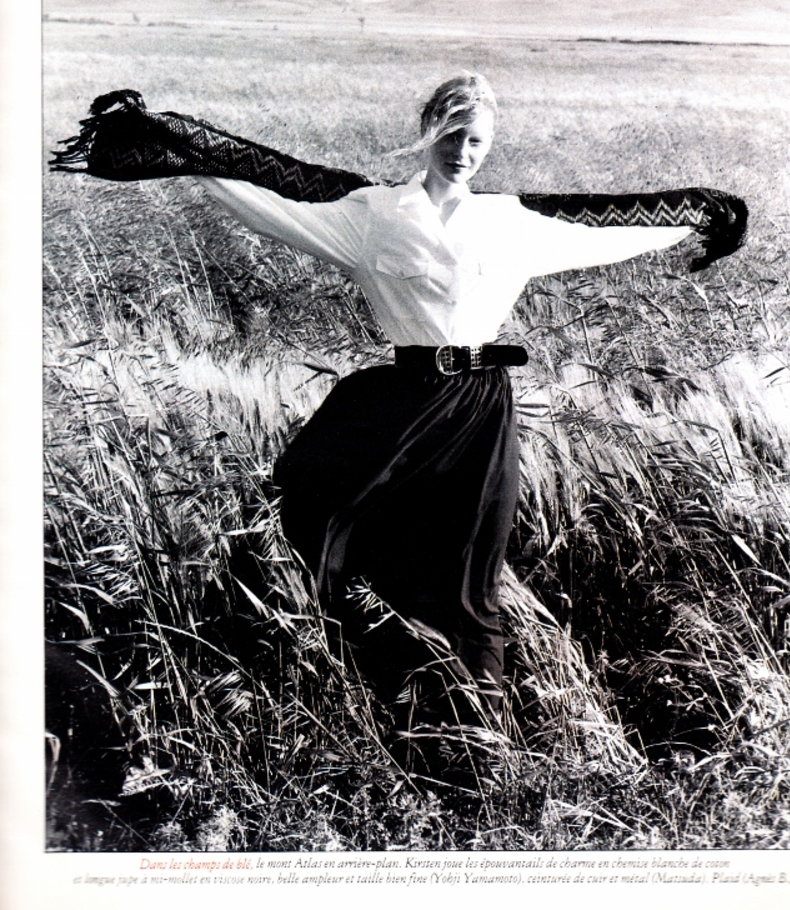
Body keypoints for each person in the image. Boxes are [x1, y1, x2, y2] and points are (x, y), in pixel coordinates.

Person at [51, 72, 746, 732]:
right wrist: (177, 148)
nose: (463, 152)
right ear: (427, 132)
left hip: (478, 412)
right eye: (451, 135)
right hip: (398, 408)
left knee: (468, 579)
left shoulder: (512, 221)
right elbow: (268, 188)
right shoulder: (372, 214)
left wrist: (698, 214)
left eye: (476, 140)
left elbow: (610, 226)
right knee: (323, 532)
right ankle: (370, 690)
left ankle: (479, 737)